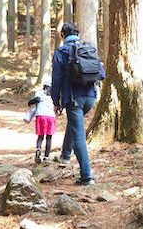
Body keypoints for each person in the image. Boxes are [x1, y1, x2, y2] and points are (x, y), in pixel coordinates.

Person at [51, 22, 105, 186]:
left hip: (73, 98)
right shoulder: (88, 48)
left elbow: (57, 78)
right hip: (90, 97)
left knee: (79, 136)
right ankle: (65, 156)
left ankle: (86, 176)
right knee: (75, 125)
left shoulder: (62, 51)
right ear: (77, 33)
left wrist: (56, 101)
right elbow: (101, 73)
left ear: (63, 35)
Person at [27, 77, 56, 164]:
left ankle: (38, 151)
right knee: (49, 137)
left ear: (44, 86)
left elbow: (35, 101)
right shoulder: (54, 95)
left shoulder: (39, 93)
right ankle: (46, 157)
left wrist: (30, 102)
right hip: (51, 117)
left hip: (41, 116)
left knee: (40, 136)